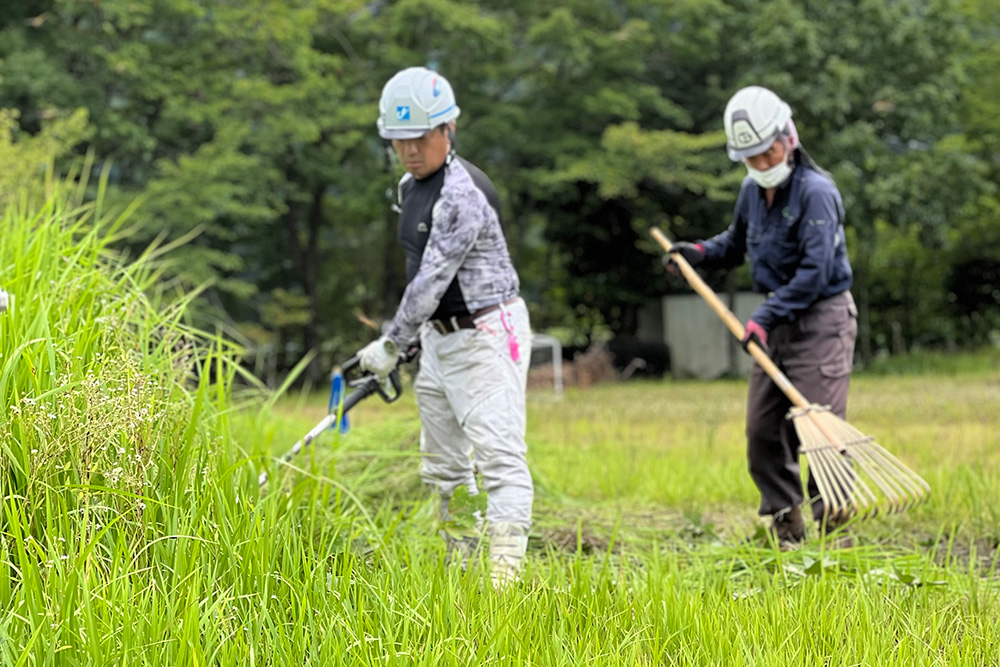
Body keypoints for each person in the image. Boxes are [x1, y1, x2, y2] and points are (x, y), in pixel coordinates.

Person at [355, 67, 533, 584]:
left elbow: (433, 279)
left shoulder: (461, 194)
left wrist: (392, 341)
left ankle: (503, 589)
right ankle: (461, 567)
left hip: (485, 334)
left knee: (500, 459)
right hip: (437, 339)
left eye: (421, 138)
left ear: (448, 129)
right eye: (398, 141)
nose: (410, 151)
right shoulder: (409, 186)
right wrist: (412, 341)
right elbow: (418, 272)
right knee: (443, 465)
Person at [666, 86, 857, 549]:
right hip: (775, 322)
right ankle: (785, 526)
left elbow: (815, 273)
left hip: (821, 320)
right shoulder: (752, 191)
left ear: (788, 137)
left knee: (821, 428)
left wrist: (765, 315)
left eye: (768, 153)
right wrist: (697, 253)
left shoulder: (817, 194)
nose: (763, 164)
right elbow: (735, 242)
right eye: (752, 158)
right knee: (762, 430)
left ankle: (836, 535)